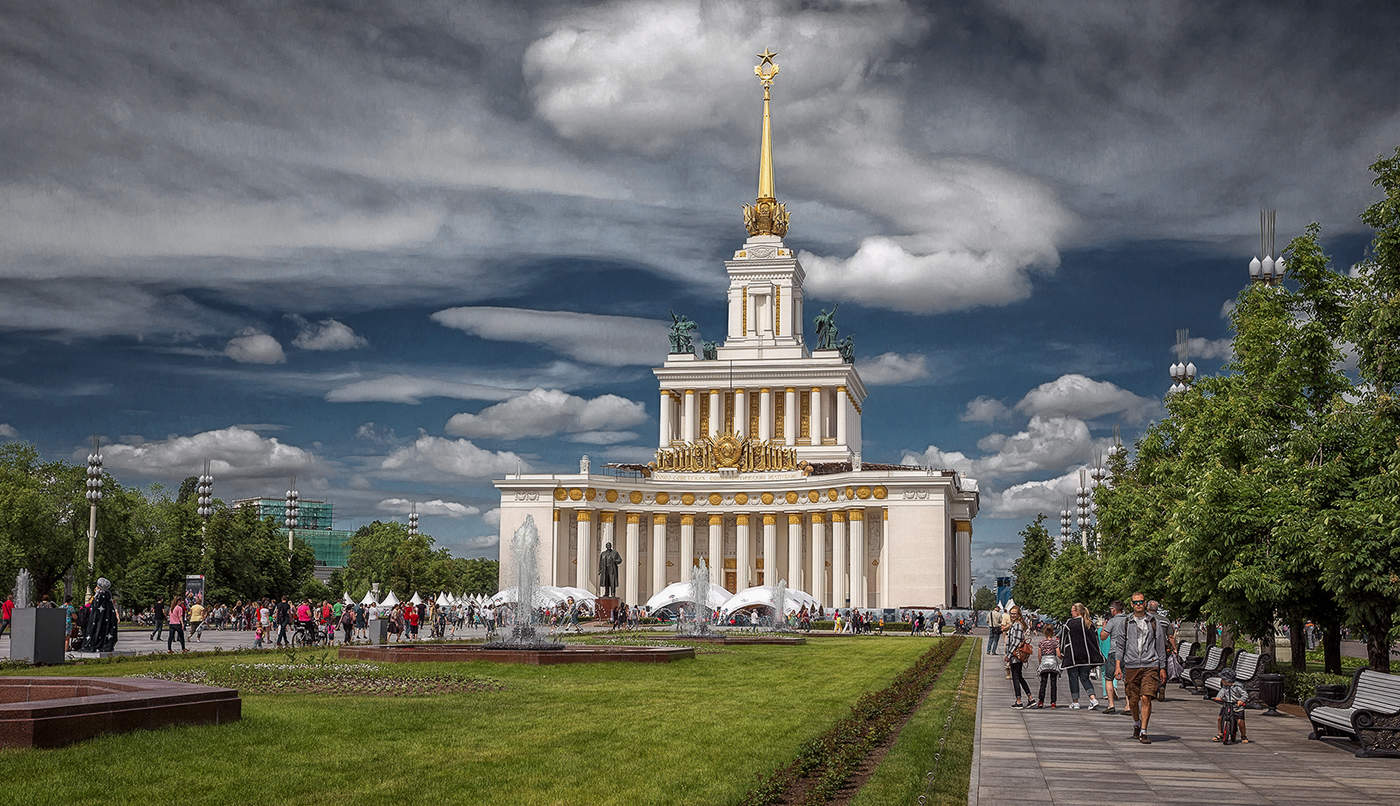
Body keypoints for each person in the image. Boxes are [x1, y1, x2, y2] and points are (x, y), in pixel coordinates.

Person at [1113, 593, 1168, 744]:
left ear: (1145, 604)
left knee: (1146, 696)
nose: (1138, 605)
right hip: (1131, 665)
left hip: (1150, 664)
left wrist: (1162, 667)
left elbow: (1160, 646)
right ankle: (1136, 723)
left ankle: (1144, 731)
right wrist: (1118, 666)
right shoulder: (1126, 622)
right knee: (1133, 699)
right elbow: (1120, 646)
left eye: (1141, 602)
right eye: (1136, 602)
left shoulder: (1153, 622)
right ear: (1131, 604)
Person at [1061, 603, 1104, 710]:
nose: (1071, 612)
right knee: (1085, 678)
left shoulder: (1069, 623)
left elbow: (1063, 639)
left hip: (1073, 657)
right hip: (1087, 657)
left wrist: (1062, 652)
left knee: (1073, 678)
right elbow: (1095, 641)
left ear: (1077, 611)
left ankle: (1075, 702)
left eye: (1072, 610)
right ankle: (1093, 699)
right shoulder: (1089, 623)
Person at [1212, 668, 1251, 744]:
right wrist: (1218, 697)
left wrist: (1241, 700)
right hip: (1227, 705)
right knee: (1220, 718)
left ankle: (1243, 736)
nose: (1222, 681)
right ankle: (1220, 733)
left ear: (1228, 680)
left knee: (1240, 721)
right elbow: (1221, 693)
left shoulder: (1238, 687)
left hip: (1237, 706)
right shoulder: (1224, 687)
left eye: (1223, 679)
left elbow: (1245, 695)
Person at [1004, 605, 1032, 708]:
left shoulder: (1017, 625)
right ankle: (1030, 698)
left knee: (1016, 677)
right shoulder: (1015, 624)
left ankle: (1019, 701)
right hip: (1015, 654)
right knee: (1019, 677)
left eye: (1014, 613)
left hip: (1015, 655)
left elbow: (1015, 642)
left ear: (1018, 614)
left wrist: (1009, 654)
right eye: (1011, 613)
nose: (1012, 615)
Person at [1098, 603, 1121, 714]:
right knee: (1128, 680)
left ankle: (1111, 704)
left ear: (1114, 610)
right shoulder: (1129, 620)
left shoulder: (1112, 621)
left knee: (1108, 677)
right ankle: (1128, 706)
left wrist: (1104, 627)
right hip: (1128, 653)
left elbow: (1103, 636)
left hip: (1113, 651)